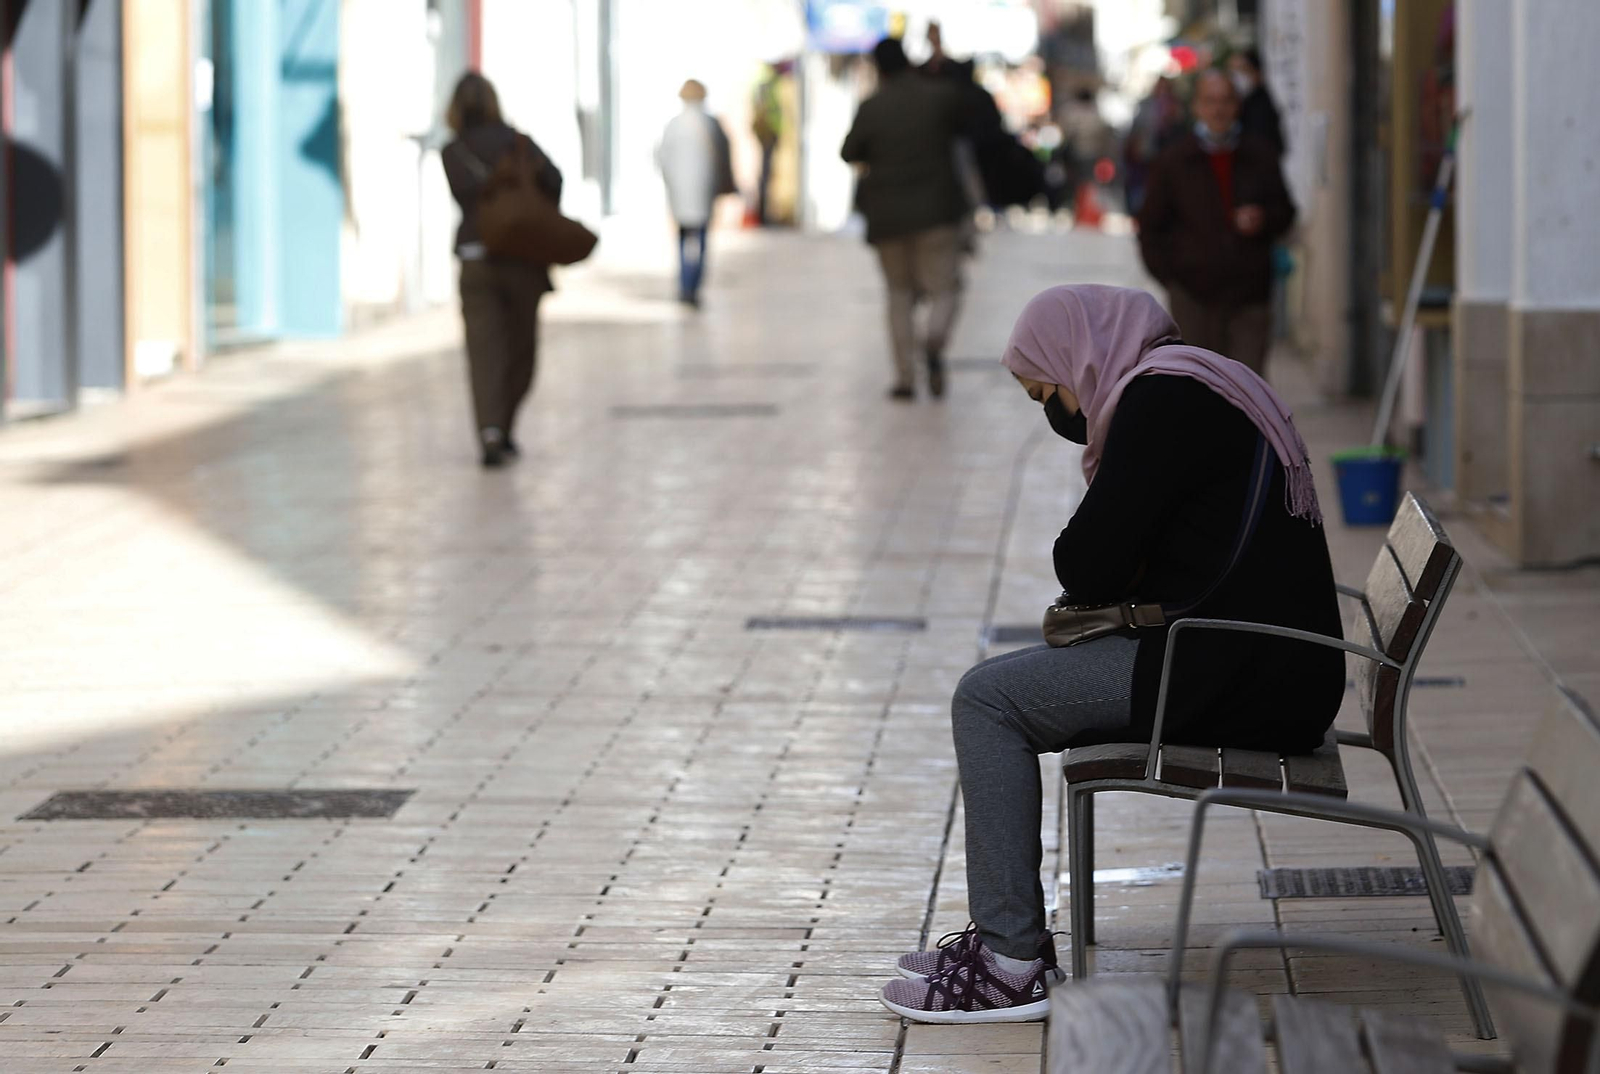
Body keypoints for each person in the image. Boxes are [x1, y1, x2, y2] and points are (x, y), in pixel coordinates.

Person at [879, 285, 1343, 1024]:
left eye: (1048, 392)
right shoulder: (1195, 381)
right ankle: (1010, 945)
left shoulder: (1161, 406)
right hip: (1269, 660)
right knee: (1015, 684)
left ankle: (1009, 963)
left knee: (987, 700)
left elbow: (1086, 561)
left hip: (1234, 668)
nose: (1056, 414)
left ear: (1081, 358)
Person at [1136, 68, 1294, 378]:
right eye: (1210, 101)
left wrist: (1262, 219)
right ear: (1197, 107)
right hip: (1194, 297)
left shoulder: (1259, 155)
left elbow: (1285, 212)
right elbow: (1150, 227)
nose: (1218, 110)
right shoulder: (1174, 160)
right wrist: (1174, 278)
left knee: (1248, 392)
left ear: (1237, 106)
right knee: (1199, 391)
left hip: (1249, 296)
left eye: (1225, 101)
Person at [441, 72, 563, 469]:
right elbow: (554, 181)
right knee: (521, 350)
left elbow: (467, 199)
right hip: (521, 258)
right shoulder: (518, 143)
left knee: (484, 352)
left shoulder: (453, 152)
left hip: (475, 257)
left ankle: (492, 430)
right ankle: (501, 427)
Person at [841, 37, 969, 401]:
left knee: (899, 294)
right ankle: (934, 340)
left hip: (887, 217)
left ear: (878, 69)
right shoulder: (939, 96)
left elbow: (848, 151)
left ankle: (904, 378)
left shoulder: (872, 107)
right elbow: (967, 116)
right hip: (938, 214)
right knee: (945, 288)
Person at [657, 79, 735, 308]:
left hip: (680, 195)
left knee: (682, 239)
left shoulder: (673, 125)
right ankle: (693, 286)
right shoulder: (712, 124)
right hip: (703, 192)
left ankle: (684, 285)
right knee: (700, 239)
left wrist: (672, 187)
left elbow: (662, 159)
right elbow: (724, 158)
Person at [1123, 76, 1184, 214]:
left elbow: (1179, 128)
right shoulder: (1146, 105)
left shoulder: (1175, 106)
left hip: (1167, 153)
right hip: (1146, 154)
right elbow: (1136, 128)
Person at [1228, 48, 1286, 158]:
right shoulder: (1241, 104)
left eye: (1243, 70)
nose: (1237, 77)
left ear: (1257, 72)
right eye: (1233, 72)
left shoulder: (1261, 107)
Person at [751, 63, 786, 225]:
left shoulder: (768, 80)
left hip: (769, 132)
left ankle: (765, 214)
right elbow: (765, 109)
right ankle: (763, 215)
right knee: (765, 174)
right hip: (767, 133)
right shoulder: (766, 81)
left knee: (768, 174)